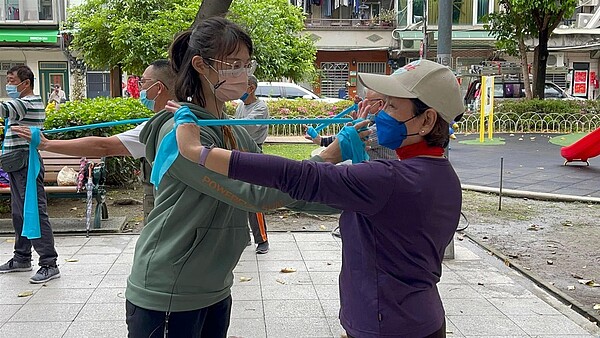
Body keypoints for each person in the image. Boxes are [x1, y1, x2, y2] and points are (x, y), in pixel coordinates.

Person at [175, 59, 464, 338]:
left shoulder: (388, 179)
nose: (379, 114)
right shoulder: (442, 175)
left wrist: (198, 152)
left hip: (386, 325)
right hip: (418, 318)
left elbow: (298, 177)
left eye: (391, 106)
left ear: (426, 120)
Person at [126, 17, 336, 338]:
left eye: (246, 64)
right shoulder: (182, 134)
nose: (244, 74)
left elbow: (278, 180)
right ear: (200, 65)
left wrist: (357, 197)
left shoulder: (228, 129)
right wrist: (323, 161)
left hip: (215, 285)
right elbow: (254, 194)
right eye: (234, 64)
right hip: (169, 291)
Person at [11, 59, 176, 223]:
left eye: (143, 82)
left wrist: (46, 144)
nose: (140, 88)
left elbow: (103, 146)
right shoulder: (181, 116)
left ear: (159, 88)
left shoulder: (161, 125)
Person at [0, 65, 60, 284]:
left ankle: (49, 263)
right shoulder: (22, 103)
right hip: (17, 165)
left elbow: (4, 109)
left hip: (28, 164)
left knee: (34, 211)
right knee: (19, 212)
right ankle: (22, 257)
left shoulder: (28, 103)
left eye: (12, 80)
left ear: (26, 83)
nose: (9, 84)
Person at [306, 88, 397, 160]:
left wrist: (322, 141)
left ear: (380, 103)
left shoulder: (384, 128)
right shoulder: (383, 122)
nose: (363, 104)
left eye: (367, 101)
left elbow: (349, 139)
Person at [234, 74, 270, 254]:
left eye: (241, 85)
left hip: (254, 154)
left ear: (251, 88)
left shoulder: (261, 107)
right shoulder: (241, 106)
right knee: (235, 195)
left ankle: (262, 240)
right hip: (238, 153)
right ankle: (243, 237)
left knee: (254, 198)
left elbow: (243, 127)